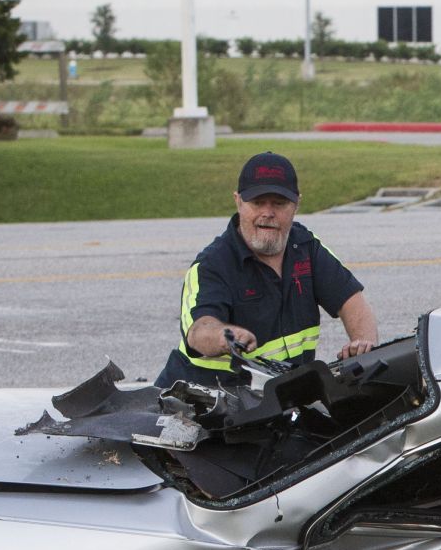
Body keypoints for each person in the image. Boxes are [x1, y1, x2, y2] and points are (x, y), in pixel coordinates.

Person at [157, 151, 379, 387]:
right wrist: (226, 336)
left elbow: (352, 302)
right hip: (200, 404)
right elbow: (199, 331)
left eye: (279, 203)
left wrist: (363, 346)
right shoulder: (213, 265)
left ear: (296, 205)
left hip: (274, 399)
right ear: (238, 202)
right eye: (258, 202)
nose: (267, 213)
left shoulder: (306, 247)